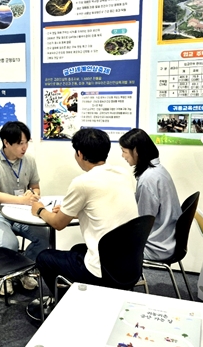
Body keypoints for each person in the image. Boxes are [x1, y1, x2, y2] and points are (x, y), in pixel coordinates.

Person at [29, 128, 138, 314]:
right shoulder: (123, 173)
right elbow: (104, 208)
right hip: (129, 264)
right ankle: (81, 298)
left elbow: (58, 224)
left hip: (102, 270)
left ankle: (63, 307)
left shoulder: (83, 182)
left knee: (44, 258)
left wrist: (39, 210)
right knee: (77, 250)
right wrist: (72, 212)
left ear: (79, 154)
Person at [0, 120, 48, 294]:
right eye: (20, 143)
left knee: (44, 237)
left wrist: (33, 194)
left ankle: (22, 270)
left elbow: (35, 186)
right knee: (10, 243)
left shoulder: (29, 160)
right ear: (6, 143)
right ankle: (4, 276)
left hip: (20, 214)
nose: (24, 147)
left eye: (26, 142)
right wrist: (22, 200)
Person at [119, 128, 181, 261]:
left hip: (156, 247)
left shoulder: (147, 180)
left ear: (136, 151)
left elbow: (143, 223)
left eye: (124, 151)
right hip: (168, 238)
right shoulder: (158, 170)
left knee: (109, 245)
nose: (123, 156)